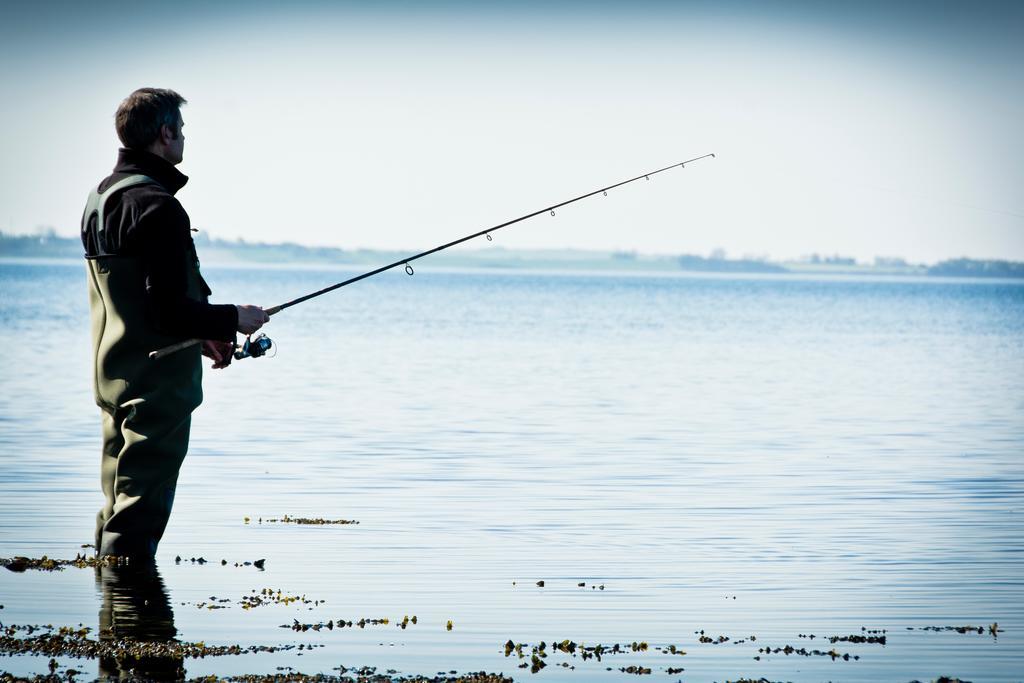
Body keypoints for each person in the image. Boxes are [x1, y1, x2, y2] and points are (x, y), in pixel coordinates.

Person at [81, 87, 268, 560]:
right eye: (180, 131)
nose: (183, 139)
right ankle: (131, 620)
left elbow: (140, 304)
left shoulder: (100, 199)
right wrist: (232, 318)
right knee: (139, 511)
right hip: (156, 385)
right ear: (165, 134)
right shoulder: (158, 206)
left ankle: (111, 613)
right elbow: (166, 310)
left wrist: (204, 333)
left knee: (115, 504)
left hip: (114, 376)